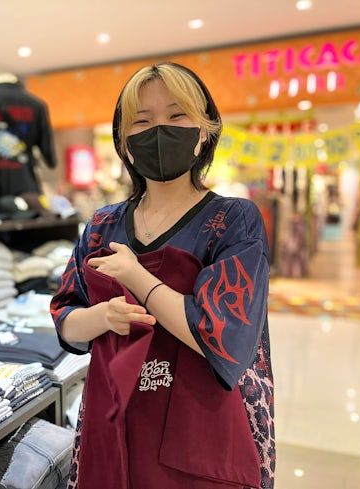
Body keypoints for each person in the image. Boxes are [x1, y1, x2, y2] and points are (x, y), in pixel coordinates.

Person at [51, 62, 274, 489]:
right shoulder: (102, 225)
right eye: (142, 121)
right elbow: (66, 321)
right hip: (112, 422)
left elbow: (222, 337)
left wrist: (137, 278)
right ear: (125, 142)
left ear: (204, 130)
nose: (159, 130)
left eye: (177, 115)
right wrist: (103, 317)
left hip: (201, 435)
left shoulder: (234, 221)